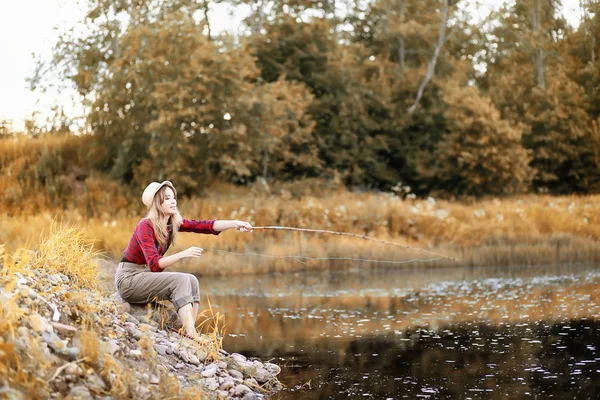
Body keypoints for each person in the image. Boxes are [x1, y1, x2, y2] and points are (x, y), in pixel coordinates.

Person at [114, 180, 253, 341]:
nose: (173, 201)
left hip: (144, 277)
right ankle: (191, 332)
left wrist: (234, 223)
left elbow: (204, 226)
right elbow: (155, 265)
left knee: (192, 280)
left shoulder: (171, 223)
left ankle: (189, 330)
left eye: (173, 197)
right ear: (157, 204)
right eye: (167, 198)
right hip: (129, 280)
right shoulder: (145, 226)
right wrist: (182, 254)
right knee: (180, 280)